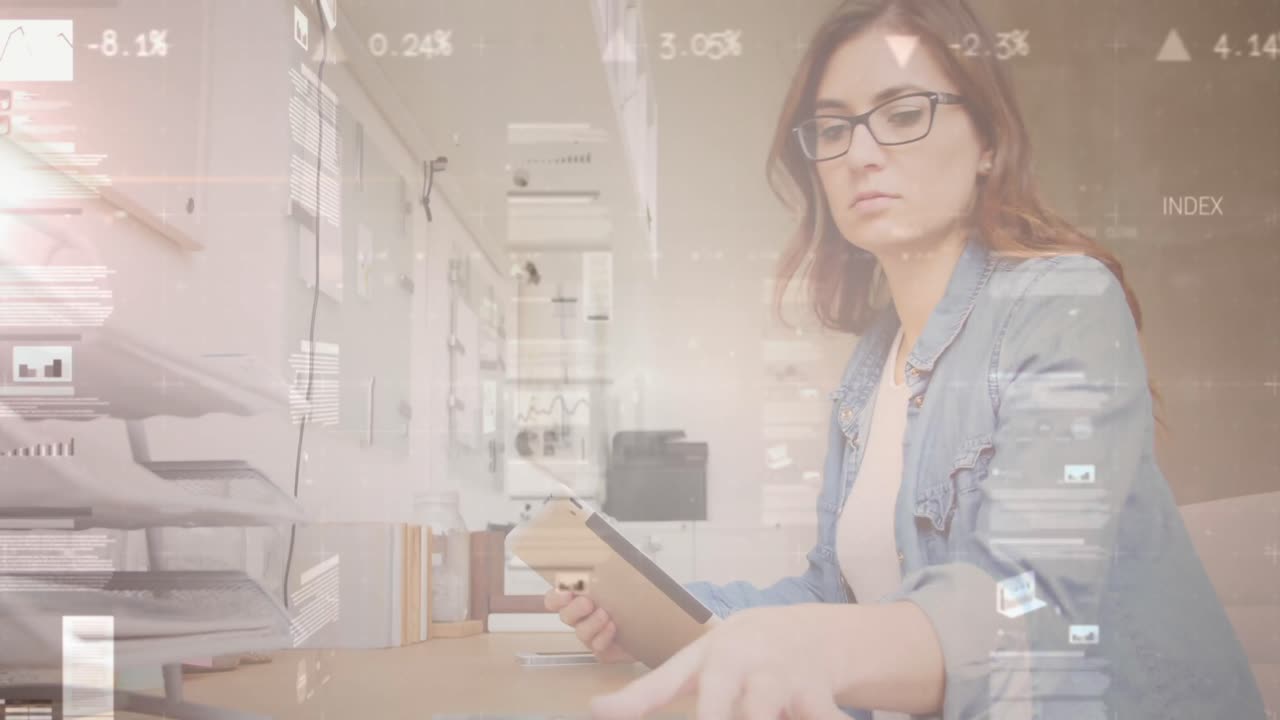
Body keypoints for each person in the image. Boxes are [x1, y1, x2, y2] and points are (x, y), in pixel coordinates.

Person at [546, 1, 1266, 718]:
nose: (860, 154)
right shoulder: (870, 370)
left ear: (988, 142)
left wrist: (809, 648)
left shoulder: (1065, 303)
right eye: (834, 128)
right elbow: (835, 596)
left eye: (902, 113)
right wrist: (661, 613)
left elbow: (1030, 606)